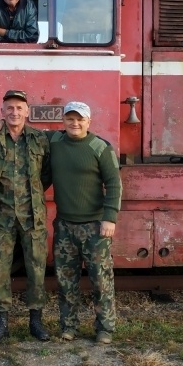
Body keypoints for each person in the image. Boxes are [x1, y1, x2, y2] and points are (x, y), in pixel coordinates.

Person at [0, 89, 52, 342]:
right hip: (0, 215)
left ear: (27, 111)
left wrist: (32, 194)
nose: (14, 112)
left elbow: (46, 174)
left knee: (36, 269)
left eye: (19, 108)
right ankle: (1, 324)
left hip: (32, 216)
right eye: (9, 108)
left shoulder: (40, 139)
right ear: (2, 112)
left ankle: (36, 322)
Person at [50, 101, 122, 344]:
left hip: (95, 227)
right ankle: (68, 326)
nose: (75, 123)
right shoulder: (54, 141)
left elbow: (114, 184)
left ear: (88, 121)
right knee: (65, 281)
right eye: (70, 119)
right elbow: (26, 132)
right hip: (64, 226)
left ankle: (105, 328)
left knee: (101, 281)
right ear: (63, 121)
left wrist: (109, 217)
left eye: (80, 119)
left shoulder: (100, 147)